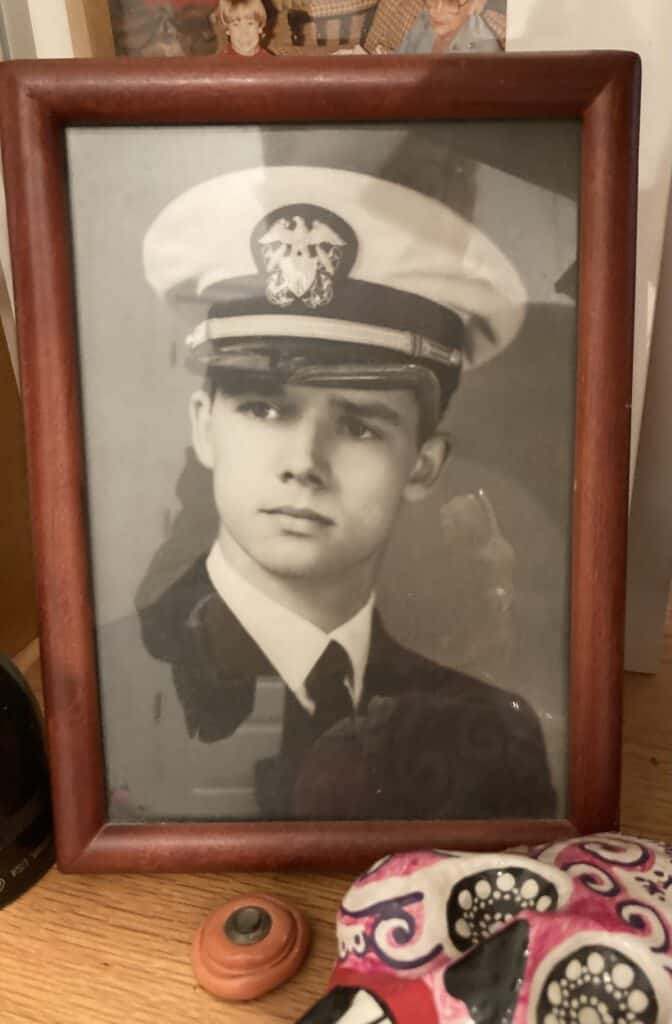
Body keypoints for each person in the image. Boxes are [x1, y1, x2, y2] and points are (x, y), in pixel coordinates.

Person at [122, 164, 556, 823]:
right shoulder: (102, 703)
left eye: (359, 425)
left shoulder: (493, 741)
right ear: (204, 426)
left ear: (422, 465)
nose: (304, 464)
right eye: (264, 409)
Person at [396, 0, 502, 55]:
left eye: (450, 2)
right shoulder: (424, 20)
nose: (435, 11)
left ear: (476, 4)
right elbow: (397, 67)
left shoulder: (484, 53)